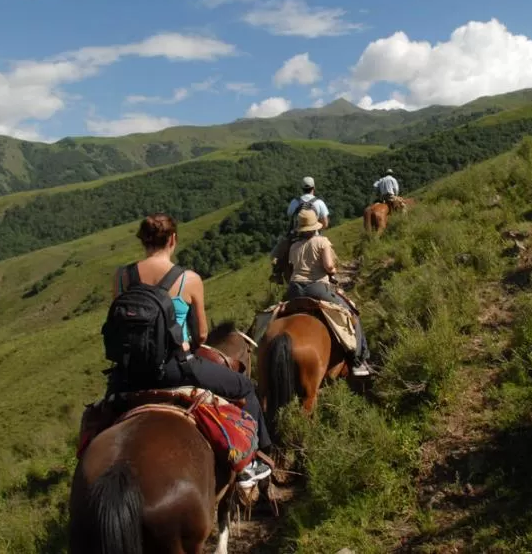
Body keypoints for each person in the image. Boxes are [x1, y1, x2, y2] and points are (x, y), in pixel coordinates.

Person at [105, 213, 272, 488]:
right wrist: (188, 344)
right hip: (175, 368)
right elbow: (202, 334)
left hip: (128, 373)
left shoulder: (122, 277)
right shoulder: (188, 279)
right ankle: (252, 460)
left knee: (100, 415)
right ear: (173, 239)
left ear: (142, 240)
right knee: (244, 387)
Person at [286, 208, 372, 377]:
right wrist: (332, 272)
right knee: (351, 313)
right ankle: (358, 360)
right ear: (314, 226)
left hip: (294, 290)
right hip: (316, 287)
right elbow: (329, 266)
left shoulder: (294, 246)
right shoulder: (322, 241)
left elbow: (292, 269)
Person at [270, 176, 331, 281]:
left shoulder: (294, 202)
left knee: (275, 254)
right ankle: (331, 275)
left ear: (302, 188)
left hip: (295, 235)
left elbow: (290, 216)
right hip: (314, 235)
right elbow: (325, 223)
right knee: (329, 253)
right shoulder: (320, 203)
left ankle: (277, 273)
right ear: (314, 187)